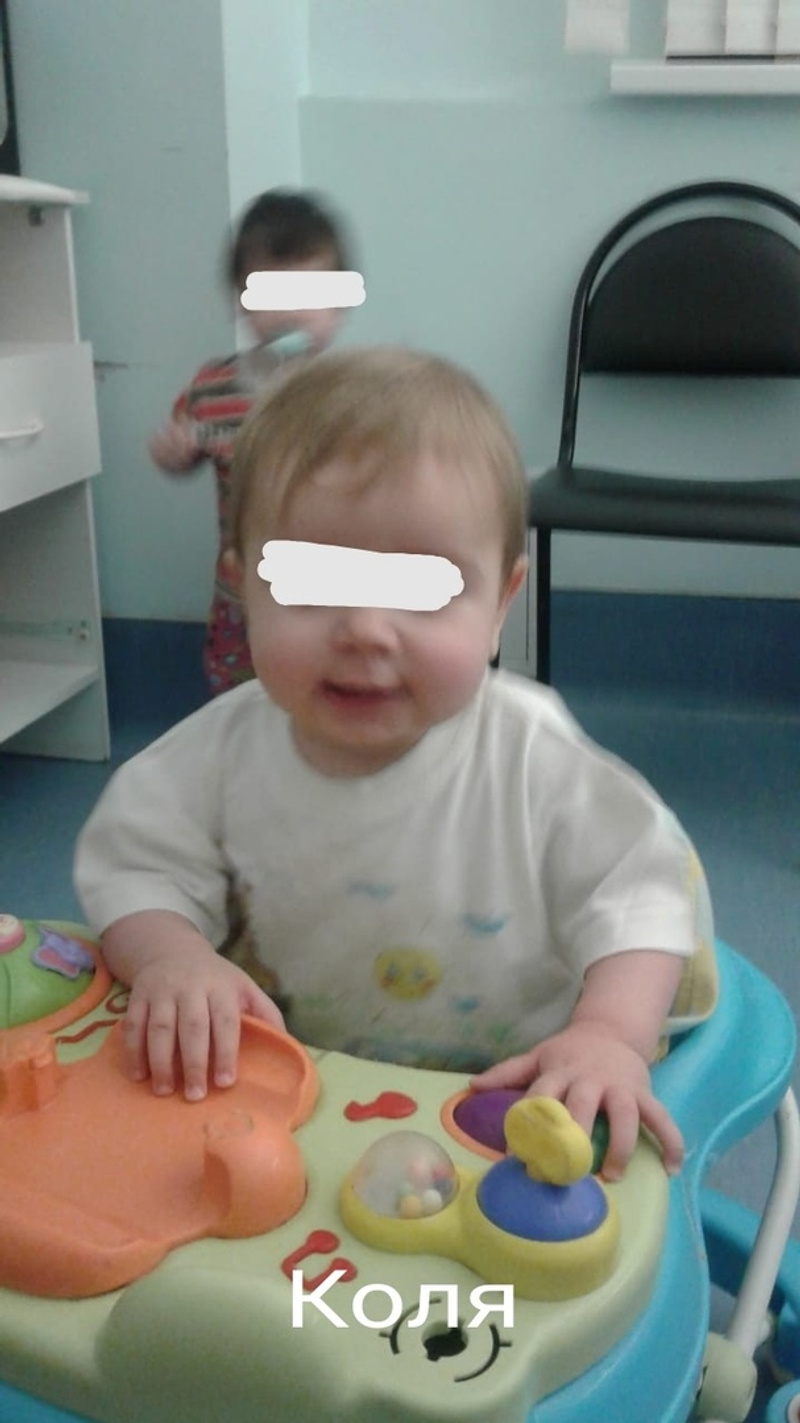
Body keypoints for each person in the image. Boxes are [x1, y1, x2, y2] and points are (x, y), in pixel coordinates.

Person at [75, 347, 715, 1180]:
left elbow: (640, 897)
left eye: (423, 588)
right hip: (310, 1094)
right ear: (242, 587)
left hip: (515, 1098)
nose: (366, 630)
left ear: (500, 603)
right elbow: (138, 868)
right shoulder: (214, 756)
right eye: (311, 581)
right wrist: (175, 959)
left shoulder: (533, 757)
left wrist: (608, 1034)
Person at [149, 188, 354, 694]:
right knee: (240, 702)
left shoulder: (353, 392)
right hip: (241, 594)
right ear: (241, 303)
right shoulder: (212, 387)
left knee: (325, 695)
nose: (292, 314)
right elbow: (187, 449)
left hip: (330, 593)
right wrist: (174, 454)